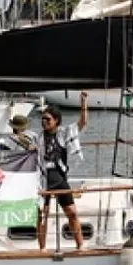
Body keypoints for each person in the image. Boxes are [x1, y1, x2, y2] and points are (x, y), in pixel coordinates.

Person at [37, 92, 88, 250]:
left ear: (56, 120)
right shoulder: (38, 138)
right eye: (43, 119)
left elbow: (82, 123)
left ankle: (80, 245)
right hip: (44, 180)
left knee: (72, 213)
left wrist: (83, 103)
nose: (44, 122)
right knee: (42, 215)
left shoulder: (64, 133)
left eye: (48, 119)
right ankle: (42, 248)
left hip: (59, 178)